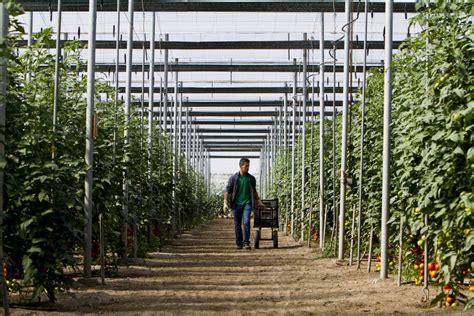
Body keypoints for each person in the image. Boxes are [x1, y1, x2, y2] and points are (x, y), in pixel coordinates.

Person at [224, 158, 264, 249]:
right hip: (236, 204)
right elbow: (228, 191)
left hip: (247, 203)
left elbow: (254, 191)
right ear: (241, 166)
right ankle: (239, 243)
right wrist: (225, 202)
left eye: (248, 166)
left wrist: (258, 200)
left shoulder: (251, 178)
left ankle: (246, 242)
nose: (248, 168)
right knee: (237, 224)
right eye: (246, 166)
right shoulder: (233, 178)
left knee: (246, 221)